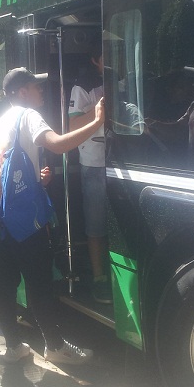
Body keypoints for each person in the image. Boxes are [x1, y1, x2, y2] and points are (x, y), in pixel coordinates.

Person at [0, 67, 104, 365]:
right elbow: (59, 144)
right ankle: (55, 346)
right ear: (22, 92)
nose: (41, 92)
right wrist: (97, 121)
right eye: (36, 87)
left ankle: (13, 346)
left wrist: (37, 179)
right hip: (23, 216)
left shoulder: (0, 121)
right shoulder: (28, 115)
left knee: (6, 280)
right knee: (39, 281)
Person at [68, 42, 113, 303]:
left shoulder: (124, 80)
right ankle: (99, 277)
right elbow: (72, 125)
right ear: (95, 60)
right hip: (94, 163)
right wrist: (99, 114)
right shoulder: (82, 86)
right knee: (96, 225)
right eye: (107, 55)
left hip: (122, 161)